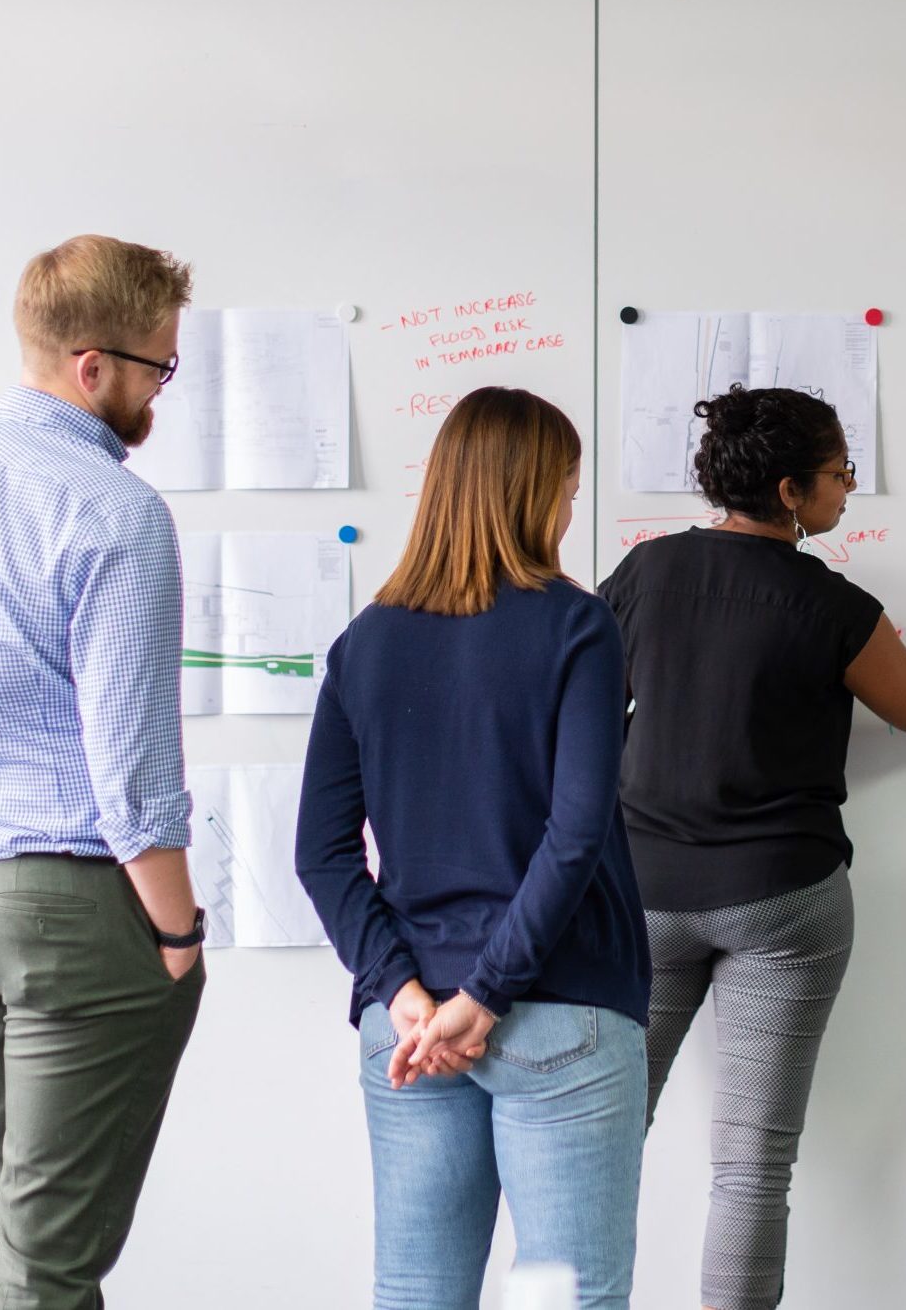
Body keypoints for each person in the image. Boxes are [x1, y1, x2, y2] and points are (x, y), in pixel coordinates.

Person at [597, 385, 906, 1310]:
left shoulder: (645, 574)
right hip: (781, 900)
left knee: (599, 1139)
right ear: (791, 491)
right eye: (840, 475)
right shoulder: (832, 605)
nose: (850, 490)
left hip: (643, 896)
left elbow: (589, 708)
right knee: (752, 1166)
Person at [0, 234, 206, 1310]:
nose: (163, 387)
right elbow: (132, 765)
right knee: (54, 1259)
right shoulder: (114, 510)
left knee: (8, 1220)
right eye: (158, 365)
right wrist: (179, 930)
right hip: (69, 903)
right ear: (91, 365)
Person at [294, 386, 650, 1310]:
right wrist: (485, 995)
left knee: (416, 1293)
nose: (573, 508)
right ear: (535, 492)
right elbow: (574, 836)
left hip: (406, 1028)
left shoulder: (363, 643)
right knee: (562, 1297)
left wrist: (408, 995)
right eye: (569, 486)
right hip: (558, 1010)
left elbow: (322, 855)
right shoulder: (578, 625)